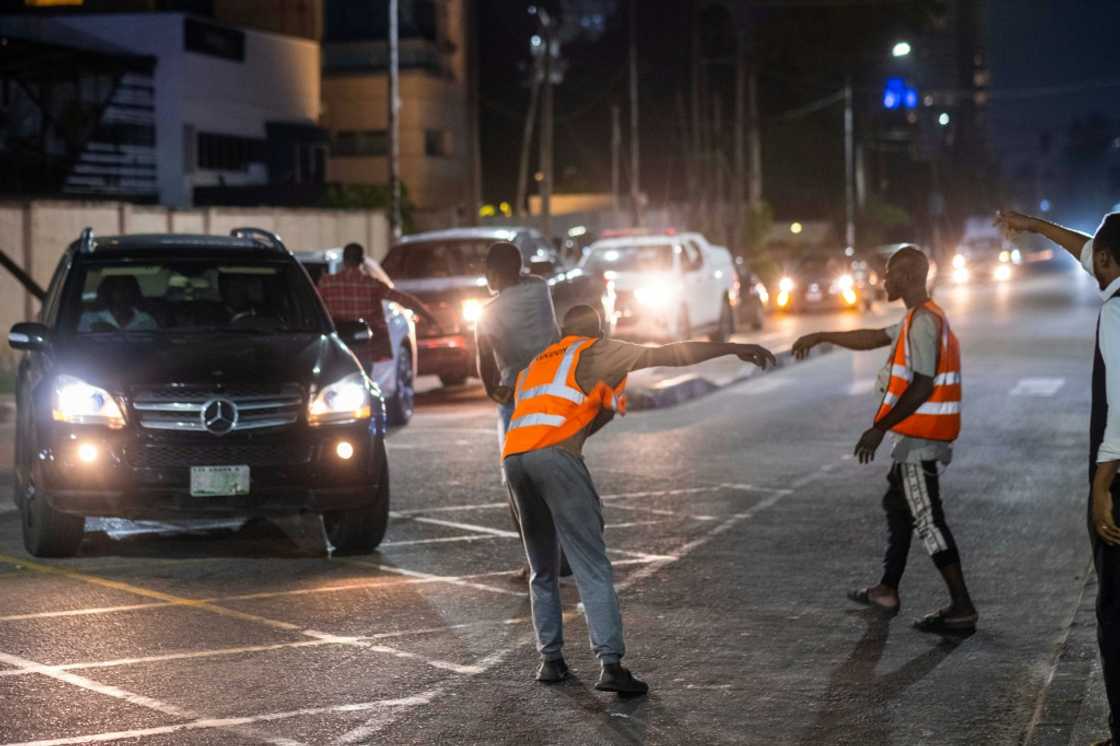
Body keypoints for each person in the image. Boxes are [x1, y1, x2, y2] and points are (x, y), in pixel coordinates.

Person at [502, 304, 775, 695]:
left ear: (562, 331)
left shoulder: (536, 364)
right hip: (555, 457)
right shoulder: (599, 350)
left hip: (513, 458)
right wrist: (732, 347)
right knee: (591, 564)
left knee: (542, 567)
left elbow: (562, 411)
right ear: (598, 329)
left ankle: (551, 660)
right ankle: (610, 665)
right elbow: (672, 353)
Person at [793, 246, 978, 633]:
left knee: (928, 520)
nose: (884, 280)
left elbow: (922, 385)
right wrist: (822, 334)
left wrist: (878, 428)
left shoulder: (925, 322)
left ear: (909, 277)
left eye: (890, 274)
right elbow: (872, 337)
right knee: (898, 508)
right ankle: (887, 589)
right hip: (912, 439)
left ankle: (961, 606)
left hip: (918, 440)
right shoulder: (915, 319)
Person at [995, 209, 1120, 746]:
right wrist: (1037, 226)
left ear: (1111, 261)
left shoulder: (1117, 311)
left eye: (1100, 260)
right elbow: (1089, 248)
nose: (1091, 265)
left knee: (1115, 611)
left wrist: (1100, 487)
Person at [475, 241, 564, 581]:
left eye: (487, 269)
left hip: (518, 398)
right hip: (556, 392)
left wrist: (490, 389)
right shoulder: (540, 290)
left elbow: (484, 360)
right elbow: (524, 274)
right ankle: (564, 552)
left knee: (516, 481)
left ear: (495, 272)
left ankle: (538, 560)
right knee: (556, 474)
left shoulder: (489, 313)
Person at [317, 242, 440, 365]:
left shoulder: (327, 283)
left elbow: (313, 306)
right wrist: (429, 317)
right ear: (361, 261)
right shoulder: (372, 284)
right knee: (365, 378)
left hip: (337, 343)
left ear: (344, 260)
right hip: (366, 345)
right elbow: (404, 300)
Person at [78, 275, 158, 332]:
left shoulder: (146, 321)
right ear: (108, 292)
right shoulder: (89, 319)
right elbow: (77, 349)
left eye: (128, 288)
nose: (124, 294)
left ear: (134, 292)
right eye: (119, 289)